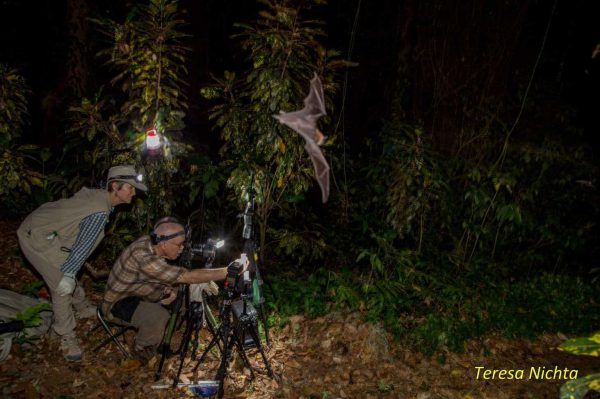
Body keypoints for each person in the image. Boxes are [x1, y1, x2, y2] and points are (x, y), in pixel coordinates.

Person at [17, 165, 147, 361]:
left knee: (67, 274)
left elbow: (78, 240)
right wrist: (67, 274)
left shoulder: (99, 198)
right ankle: (66, 336)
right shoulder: (99, 212)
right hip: (37, 236)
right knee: (62, 286)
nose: (134, 192)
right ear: (115, 186)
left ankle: (81, 305)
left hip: (50, 233)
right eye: (130, 187)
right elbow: (80, 249)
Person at [101, 217, 246, 363]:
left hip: (139, 291)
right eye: (179, 244)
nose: (182, 248)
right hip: (118, 303)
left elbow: (153, 275)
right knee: (158, 316)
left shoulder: (152, 243)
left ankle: (163, 337)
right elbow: (187, 277)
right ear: (163, 242)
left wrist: (167, 289)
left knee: (182, 300)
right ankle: (142, 349)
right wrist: (227, 271)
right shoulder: (143, 256)